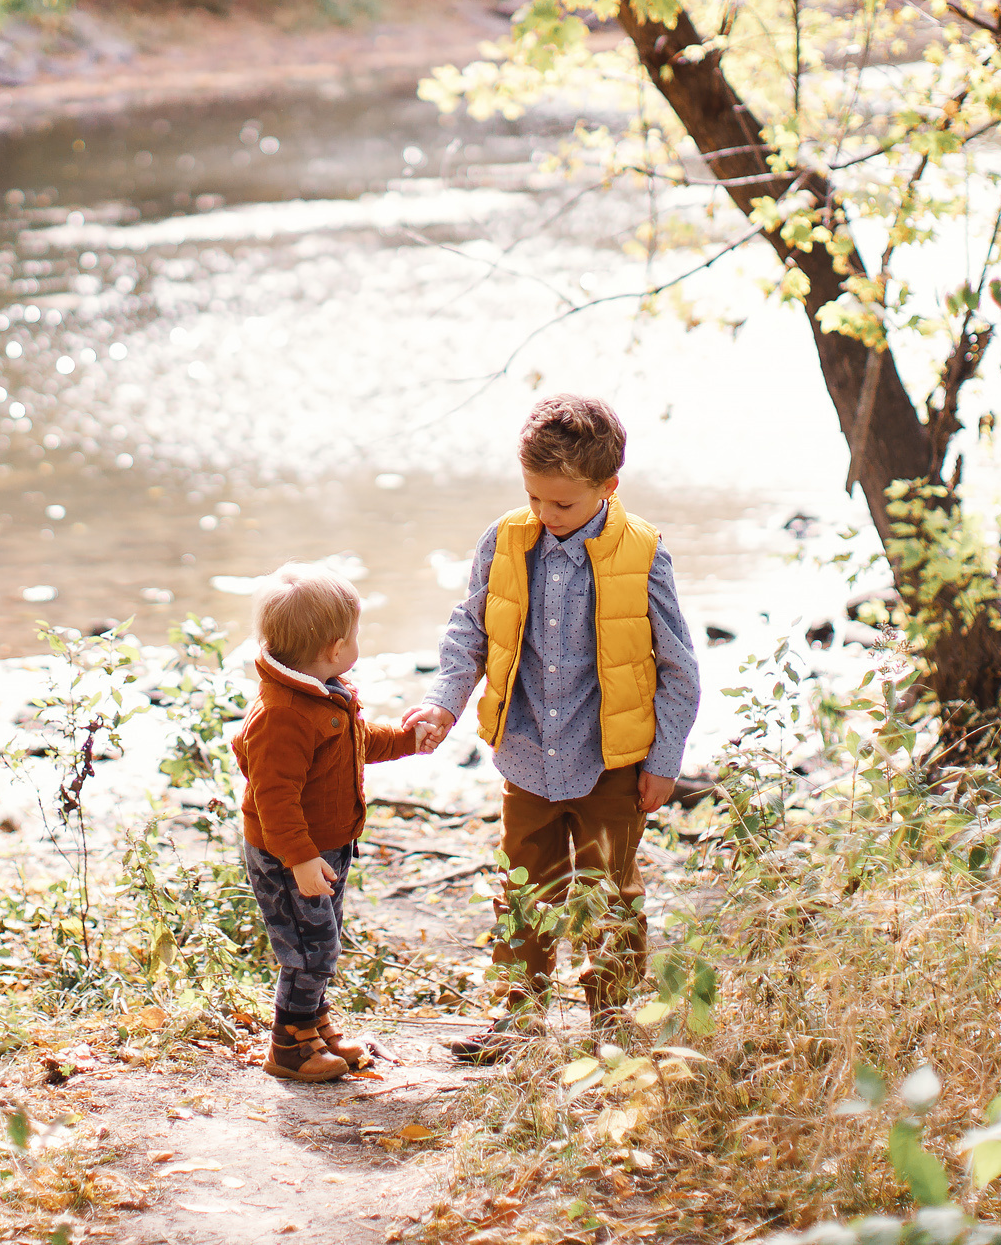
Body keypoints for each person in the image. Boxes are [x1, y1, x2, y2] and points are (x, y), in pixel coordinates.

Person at [404, 394, 701, 1061]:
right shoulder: (508, 539)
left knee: (611, 893)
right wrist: (442, 703)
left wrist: (665, 757)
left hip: (611, 760)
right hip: (527, 754)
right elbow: (469, 630)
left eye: (562, 503)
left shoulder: (643, 552)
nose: (546, 513)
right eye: (535, 497)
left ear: (608, 487)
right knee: (523, 888)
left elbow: (679, 665)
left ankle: (616, 1023)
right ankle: (520, 1016)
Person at [232, 562, 423, 1082]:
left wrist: (407, 740)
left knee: (323, 940)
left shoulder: (324, 692)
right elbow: (274, 798)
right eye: (356, 633)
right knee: (307, 947)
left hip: (324, 848)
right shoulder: (283, 714)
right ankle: (289, 1048)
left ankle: (313, 1027)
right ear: (336, 647)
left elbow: (356, 743)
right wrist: (298, 859)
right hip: (291, 853)